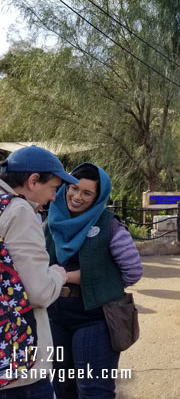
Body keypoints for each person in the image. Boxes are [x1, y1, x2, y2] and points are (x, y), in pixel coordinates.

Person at [45, 163, 143, 398]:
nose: (77, 197)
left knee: (93, 390)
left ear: (98, 197)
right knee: (61, 387)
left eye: (87, 193)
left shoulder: (109, 225)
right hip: (54, 317)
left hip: (94, 318)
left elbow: (133, 272)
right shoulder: (51, 222)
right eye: (74, 189)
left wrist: (79, 278)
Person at [0, 146, 72, 397]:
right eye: (53, 187)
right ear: (33, 181)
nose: (54, 197)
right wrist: (57, 274)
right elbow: (38, 292)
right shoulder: (19, 212)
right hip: (18, 366)